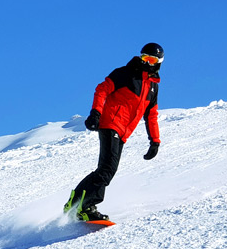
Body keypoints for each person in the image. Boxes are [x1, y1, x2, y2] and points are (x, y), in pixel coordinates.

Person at [64, 42, 164, 221]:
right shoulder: (125, 73)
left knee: (105, 170)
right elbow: (102, 90)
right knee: (107, 169)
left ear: (159, 62)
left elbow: (151, 115)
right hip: (111, 123)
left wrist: (154, 141)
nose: (148, 63)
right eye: (145, 58)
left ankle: (75, 202)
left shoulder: (153, 87)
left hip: (123, 132)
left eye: (152, 60)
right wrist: (95, 113)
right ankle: (85, 207)